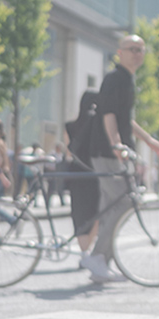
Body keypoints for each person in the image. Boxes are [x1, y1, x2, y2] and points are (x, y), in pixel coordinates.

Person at [85, 34, 159, 283]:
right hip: (106, 151)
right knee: (122, 204)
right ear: (119, 52)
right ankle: (97, 257)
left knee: (114, 206)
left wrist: (149, 141)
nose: (137, 53)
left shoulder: (127, 80)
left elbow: (125, 119)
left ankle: (100, 263)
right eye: (132, 49)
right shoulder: (114, 78)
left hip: (112, 150)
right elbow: (108, 115)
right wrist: (116, 145)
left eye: (141, 49)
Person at [64, 90, 103, 261]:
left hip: (76, 173)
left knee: (79, 213)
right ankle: (89, 250)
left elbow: (68, 153)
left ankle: (83, 252)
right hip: (94, 172)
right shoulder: (98, 124)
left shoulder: (69, 126)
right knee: (98, 212)